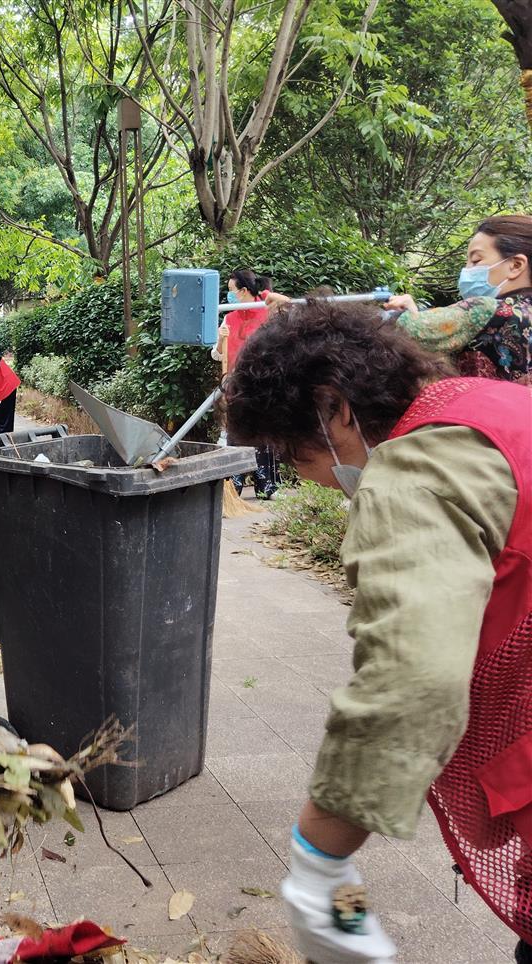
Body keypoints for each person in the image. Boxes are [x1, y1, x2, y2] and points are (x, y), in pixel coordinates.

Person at [225, 298, 530, 963]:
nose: (327, 485)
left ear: (334, 409)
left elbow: (411, 677)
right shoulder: (493, 408)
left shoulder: (410, 477)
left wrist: (319, 860)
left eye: (300, 460)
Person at [268, 216, 532, 384]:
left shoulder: (485, 309)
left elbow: (392, 329)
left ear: (515, 265)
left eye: (476, 260)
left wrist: (297, 306)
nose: (467, 270)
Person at [219, 269, 281, 499]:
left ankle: (266, 486)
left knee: (263, 433)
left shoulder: (267, 312)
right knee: (235, 433)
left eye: (231, 291)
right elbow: (218, 354)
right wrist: (220, 337)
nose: (229, 296)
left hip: (264, 383)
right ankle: (233, 486)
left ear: (244, 291)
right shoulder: (230, 316)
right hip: (236, 383)